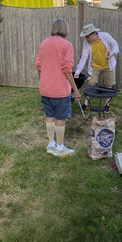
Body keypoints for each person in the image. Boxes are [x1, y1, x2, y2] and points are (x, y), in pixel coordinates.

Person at [36, 18, 81, 157]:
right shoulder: (66, 45)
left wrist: (42, 80)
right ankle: (60, 148)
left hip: (45, 88)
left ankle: (51, 145)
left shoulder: (44, 43)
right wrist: (75, 89)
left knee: (50, 116)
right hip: (60, 90)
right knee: (60, 118)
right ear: (65, 30)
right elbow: (67, 69)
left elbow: (39, 65)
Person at [74, 23, 119, 112]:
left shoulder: (105, 36)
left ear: (94, 34)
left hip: (108, 65)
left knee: (108, 86)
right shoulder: (86, 43)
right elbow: (84, 58)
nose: (86, 39)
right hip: (95, 66)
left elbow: (115, 45)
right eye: (85, 37)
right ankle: (86, 104)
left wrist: (113, 52)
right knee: (91, 84)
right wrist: (77, 72)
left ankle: (107, 105)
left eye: (87, 36)